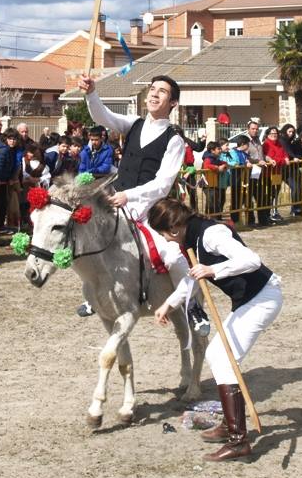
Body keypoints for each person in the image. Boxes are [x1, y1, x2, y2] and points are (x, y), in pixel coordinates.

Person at [148, 198, 282, 462]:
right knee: (217, 355)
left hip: (264, 297)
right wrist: (168, 303)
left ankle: (238, 441)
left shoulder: (211, 234)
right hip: (249, 299)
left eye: (163, 234)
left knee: (222, 357)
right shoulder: (189, 239)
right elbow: (193, 279)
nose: (166, 240)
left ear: (174, 228)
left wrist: (213, 269)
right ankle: (232, 427)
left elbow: (251, 259)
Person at [77, 73, 209, 330]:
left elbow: (163, 183)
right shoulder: (133, 124)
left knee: (172, 257)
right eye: (152, 89)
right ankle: (94, 295)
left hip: (150, 210)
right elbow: (102, 116)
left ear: (173, 103)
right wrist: (91, 93)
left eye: (162, 91)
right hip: (116, 203)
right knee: (86, 238)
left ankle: (193, 305)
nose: (154, 94)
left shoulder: (174, 140)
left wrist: (131, 195)